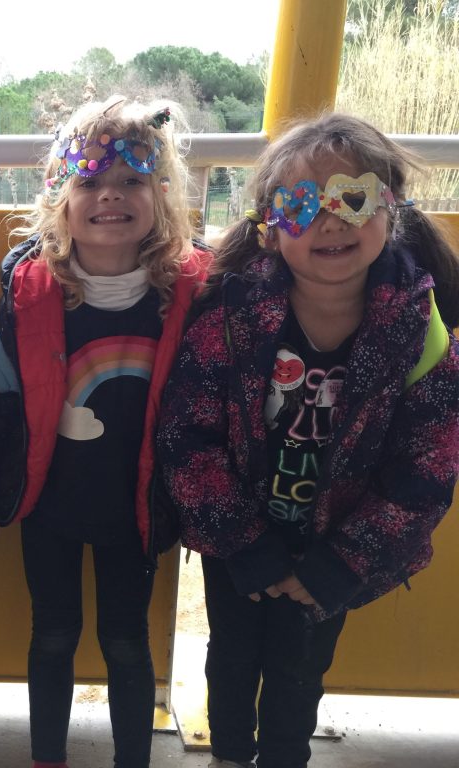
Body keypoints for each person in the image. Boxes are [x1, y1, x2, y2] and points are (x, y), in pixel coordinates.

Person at [156, 113, 459, 768]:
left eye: (354, 198)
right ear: (269, 227)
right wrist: (244, 544)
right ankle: (229, 753)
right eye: (301, 204)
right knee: (231, 657)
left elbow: (428, 469)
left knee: (300, 674)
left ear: (391, 210)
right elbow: (187, 436)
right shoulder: (231, 314)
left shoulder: (419, 329)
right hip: (239, 545)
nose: (331, 221)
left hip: (335, 550)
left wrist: (343, 564)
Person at [0, 94, 210, 768]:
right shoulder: (28, 292)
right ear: (61, 200)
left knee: (127, 642)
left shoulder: (190, 293)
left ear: (162, 195)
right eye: (90, 181)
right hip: (48, 505)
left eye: (132, 179)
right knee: (52, 635)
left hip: (137, 511)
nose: (111, 195)